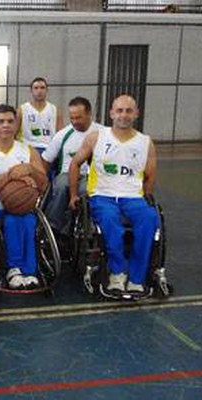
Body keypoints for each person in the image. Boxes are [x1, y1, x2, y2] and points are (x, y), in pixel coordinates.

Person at [69, 94, 159, 294]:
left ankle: (136, 278)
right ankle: (117, 273)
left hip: (132, 197)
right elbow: (75, 163)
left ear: (136, 113)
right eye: (119, 110)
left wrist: (146, 198)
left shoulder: (146, 143)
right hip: (102, 195)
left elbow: (150, 175)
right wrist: (73, 194)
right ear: (111, 113)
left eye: (128, 110)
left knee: (149, 218)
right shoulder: (96, 137)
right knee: (111, 222)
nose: (123, 115)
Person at [0, 104, 47, 289]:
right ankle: (14, 269)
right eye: (0, 121)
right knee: (12, 220)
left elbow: (44, 184)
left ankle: (29, 271)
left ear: (16, 125)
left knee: (27, 220)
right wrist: (10, 175)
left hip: (24, 207)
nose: (6, 125)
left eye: (10, 121)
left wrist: (30, 170)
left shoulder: (29, 152)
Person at [42, 96, 103, 235]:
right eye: (72, 118)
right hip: (66, 174)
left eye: (78, 118)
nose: (74, 121)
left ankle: (90, 229)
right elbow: (46, 160)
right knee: (62, 186)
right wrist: (43, 181)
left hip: (91, 175)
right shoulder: (62, 135)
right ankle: (53, 228)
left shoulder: (102, 133)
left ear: (89, 114)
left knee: (85, 191)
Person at [17, 77, 64, 153]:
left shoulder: (55, 110)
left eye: (42, 88)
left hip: (49, 149)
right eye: (36, 88)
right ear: (31, 91)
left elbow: (61, 134)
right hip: (28, 148)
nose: (39, 91)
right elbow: (14, 133)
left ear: (47, 90)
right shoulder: (22, 110)